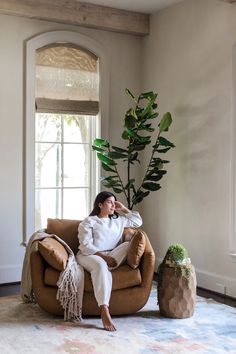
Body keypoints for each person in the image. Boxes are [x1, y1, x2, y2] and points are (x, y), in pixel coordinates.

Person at [76, 191, 142, 331]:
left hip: (112, 254)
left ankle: (107, 267)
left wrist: (123, 208)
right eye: (109, 202)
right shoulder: (89, 221)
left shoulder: (118, 220)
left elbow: (138, 221)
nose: (113, 205)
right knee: (100, 265)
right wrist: (104, 258)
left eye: (114, 202)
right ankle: (104, 309)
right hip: (90, 255)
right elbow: (85, 245)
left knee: (128, 244)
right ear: (100, 204)